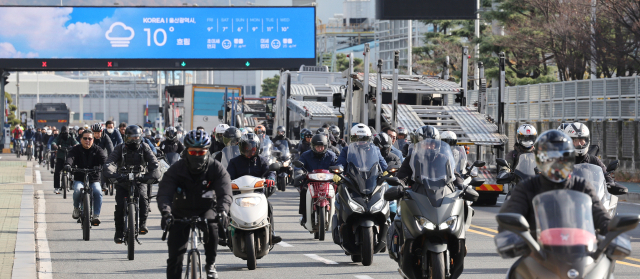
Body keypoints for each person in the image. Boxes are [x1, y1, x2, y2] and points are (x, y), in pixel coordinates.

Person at [499, 130, 610, 238]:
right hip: (537, 251)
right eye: (549, 157)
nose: (556, 162)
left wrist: (612, 234)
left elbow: (602, 217)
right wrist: (511, 235)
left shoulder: (581, 186)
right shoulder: (527, 187)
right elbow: (509, 219)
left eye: (562, 157)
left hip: (578, 251)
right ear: (540, 160)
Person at [158, 130, 232, 279]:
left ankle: (210, 264)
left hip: (206, 208)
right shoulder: (176, 169)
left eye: (201, 152)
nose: (197, 155)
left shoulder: (216, 168)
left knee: (213, 227)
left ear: (207, 151)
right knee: (175, 258)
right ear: (186, 151)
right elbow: (164, 193)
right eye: (193, 152)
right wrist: (166, 212)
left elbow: (225, 193)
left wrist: (223, 211)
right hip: (180, 211)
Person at [104, 125, 160, 243]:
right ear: (125, 138)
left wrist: (151, 174)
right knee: (119, 207)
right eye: (130, 138)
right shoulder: (120, 148)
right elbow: (110, 162)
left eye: (136, 137)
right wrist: (112, 173)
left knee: (144, 200)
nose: (133, 140)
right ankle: (118, 231)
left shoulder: (145, 147)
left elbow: (154, 163)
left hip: (140, 180)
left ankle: (143, 224)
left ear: (140, 137)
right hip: (122, 180)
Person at [226, 133, 282, 244]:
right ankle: (226, 233)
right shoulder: (234, 162)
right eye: (246, 147)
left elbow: (270, 171)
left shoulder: (262, 160)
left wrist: (270, 178)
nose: (249, 150)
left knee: (269, 207)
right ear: (241, 148)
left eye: (252, 147)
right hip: (238, 194)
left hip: (257, 193)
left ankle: (271, 233)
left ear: (257, 148)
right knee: (226, 208)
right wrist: (225, 182)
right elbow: (227, 176)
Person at [558, 123, 627, 194]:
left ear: (587, 140)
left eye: (582, 140)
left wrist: (611, 183)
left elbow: (606, 176)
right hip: (568, 197)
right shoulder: (563, 160)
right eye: (575, 140)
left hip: (591, 197)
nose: (580, 144)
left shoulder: (594, 160)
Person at [64, 130, 107, 225]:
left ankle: (96, 215)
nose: (87, 140)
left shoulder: (98, 149)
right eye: (85, 138)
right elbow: (70, 157)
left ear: (93, 140)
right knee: (77, 190)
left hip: (94, 178)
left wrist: (107, 167)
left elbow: (104, 160)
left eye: (90, 138)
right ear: (80, 139)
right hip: (79, 177)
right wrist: (68, 164)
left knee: (98, 192)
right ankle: (76, 208)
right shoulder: (76, 149)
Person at [295, 134, 337, 224]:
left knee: (339, 191)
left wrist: (338, 173)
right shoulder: (306, 155)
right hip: (311, 182)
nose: (320, 149)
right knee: (304, 191)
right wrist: (299, 173)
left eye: (322, 146)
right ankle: (305, 216)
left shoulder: (332, 156)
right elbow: (298, 166)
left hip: (328, 182)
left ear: (326, 146)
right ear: (313, 146)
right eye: (318, 147)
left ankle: (338, 215)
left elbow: (338, 165)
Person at [51, 126, 79, 194]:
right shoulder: (59, 137)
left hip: (70, 157)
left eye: (66, 133)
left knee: (75, 170)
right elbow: (54, 142)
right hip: (60, 156)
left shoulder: (71, 136)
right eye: (63, 133)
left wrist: (75, 146)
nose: (65, 134)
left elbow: (76, 142)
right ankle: (57, 187)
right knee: (57, 172)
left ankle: (73, 183)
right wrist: (55, 146)